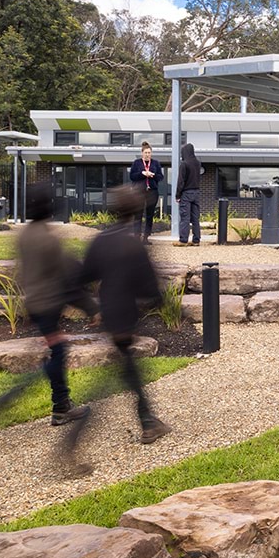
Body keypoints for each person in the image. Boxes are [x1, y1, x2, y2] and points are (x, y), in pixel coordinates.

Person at [79, 184, 172, 444]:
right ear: (136, 211)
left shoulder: (101, 240)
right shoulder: (133, 245)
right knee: (114, 378)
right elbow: (151, 290)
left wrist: (92, 307)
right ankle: (74, 439)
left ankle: (148, 419)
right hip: (125, 317)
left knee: (127, 367)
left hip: (109, 312)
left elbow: (84, 276)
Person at [14, 182, 100, 426]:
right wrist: (91, 307)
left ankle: (61, 404)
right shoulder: (47, 240)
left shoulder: (25, 235)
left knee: (58, 350)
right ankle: (59, 405)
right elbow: (67, 281)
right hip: (48, 306)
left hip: (34, 303)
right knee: (58, 354)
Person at [129, 142, 163, 244]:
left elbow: (161, 177)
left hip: (152, 192)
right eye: (146, 152)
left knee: (150, 215)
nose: (147, 154)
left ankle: (146, 237)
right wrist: (142, 173)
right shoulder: (136, 163)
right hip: (139, 192)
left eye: (149, 152)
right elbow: (132, 176)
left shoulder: (155, 163)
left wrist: (153, 175)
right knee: (138, 215)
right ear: (142, 153)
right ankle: (136, 237)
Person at [174, 142, 201, 246]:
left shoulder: (184, 164)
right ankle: (196, 240)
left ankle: (183, 240)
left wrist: (177, 195)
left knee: (185, 217)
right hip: (196, 193)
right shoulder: (198, 163)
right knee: (195, 218)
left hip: (186, 193)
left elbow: (181, 181)